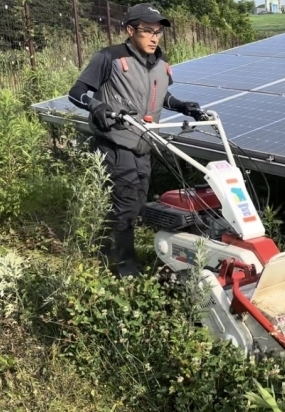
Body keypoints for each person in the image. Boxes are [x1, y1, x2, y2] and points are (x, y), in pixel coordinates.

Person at [67, 2, 203, 278]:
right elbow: (76, 91)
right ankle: (125, 267)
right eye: (147, 31)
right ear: (130, 30)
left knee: (137, 202)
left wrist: (180, 104)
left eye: (158, 32)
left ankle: (106, 244)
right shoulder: (110, 58)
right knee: (127, 203)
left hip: (144, 142)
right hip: (117, 141)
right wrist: (96, 107)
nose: (154, 37)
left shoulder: (161, 65)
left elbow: (157, 96)